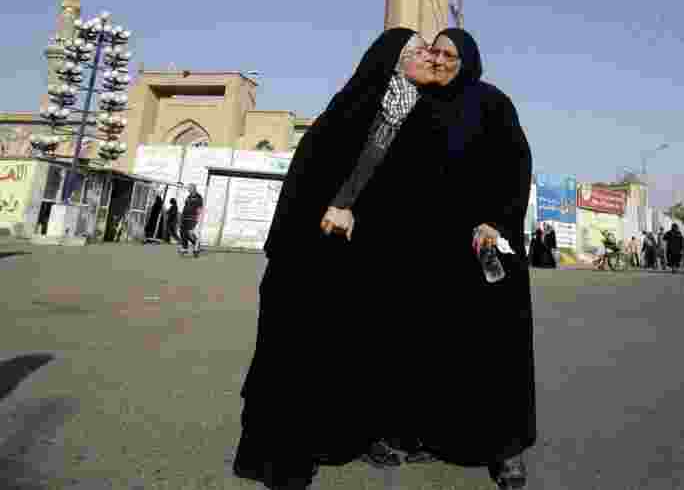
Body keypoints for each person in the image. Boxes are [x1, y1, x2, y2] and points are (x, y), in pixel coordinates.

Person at [233, 28, 536, 490]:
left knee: (490, 349)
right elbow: (364, 170)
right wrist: (344, 207)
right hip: (392, 249)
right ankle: (387, 433)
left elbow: (515, 166)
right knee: (398, 346)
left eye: (446, 53)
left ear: (468, 59)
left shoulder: (491, 103)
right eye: (428, 50)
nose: (436, 59)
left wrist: (498, 219)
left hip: (478, 249)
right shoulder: (398, 103)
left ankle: (504, 449)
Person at [179, 186, 203, 256]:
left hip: (192, 217)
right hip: (185, 216)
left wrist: (198, 217)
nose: (188, 189)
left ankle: (196, 245)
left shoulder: (198, 197)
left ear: (194, 189)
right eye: (188, 188)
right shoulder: (188, 196)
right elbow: (185, 206)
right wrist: (182, 215)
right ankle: (185, 248)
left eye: (190, 188)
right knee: (182, 231)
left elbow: (200, 208)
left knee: (188, 233)